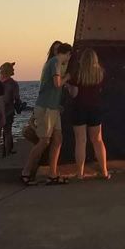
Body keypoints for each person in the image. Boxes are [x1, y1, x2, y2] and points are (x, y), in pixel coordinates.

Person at [21, 42, 73, 185]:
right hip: (46, 108)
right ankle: (26, 172)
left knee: (58, 139)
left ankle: (53, 174)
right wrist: (67, 78)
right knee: (44, 141)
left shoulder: (54, 63)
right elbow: (57, 83)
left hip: (53, 108)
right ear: (68, 54)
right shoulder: (55, 62)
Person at [69, 48, 111, 179]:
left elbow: (74, 94)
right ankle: (104, 171)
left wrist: (68, 87)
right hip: (95, 108)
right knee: (98, 140)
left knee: (80, 141)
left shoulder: (77, 74)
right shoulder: (100, 73)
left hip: (79, 108)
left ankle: (80, 173)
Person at [0, 62, 21, 157]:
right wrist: (19, 105)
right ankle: (7, 152)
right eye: (12, 68)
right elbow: (16, 97)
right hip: (8, 110)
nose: (14, 70)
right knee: (7, 132)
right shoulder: (13, 84)